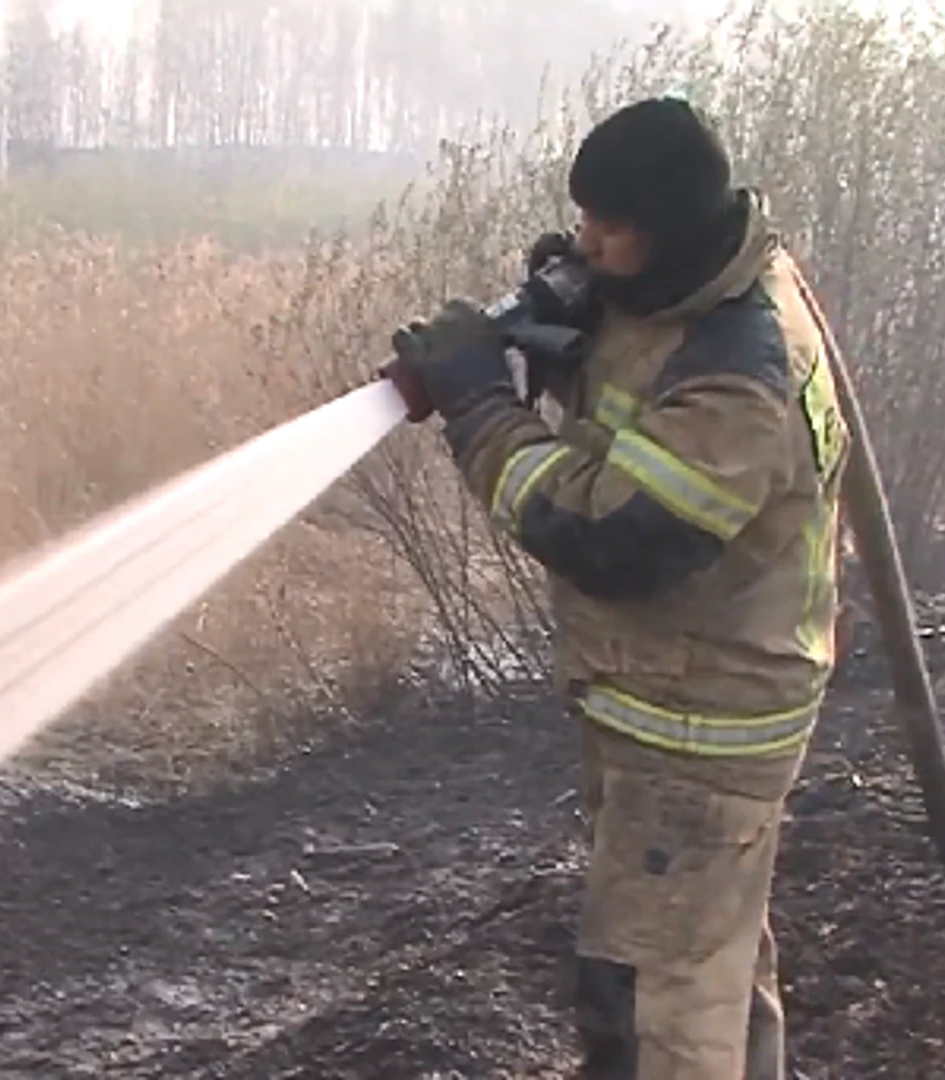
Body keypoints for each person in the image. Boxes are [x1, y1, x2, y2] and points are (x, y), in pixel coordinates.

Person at [381, 96, 851, 1080]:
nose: (587, 244)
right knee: (708, 962)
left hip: (698, 729)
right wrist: (568, 333)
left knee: (654, 1007)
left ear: (672, 230)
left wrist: (479, 405)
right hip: (674, 703)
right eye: (583, 222)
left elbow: (604, 533)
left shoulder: (741, 377)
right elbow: (637, 409)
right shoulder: (698, 291)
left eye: (609, 229)